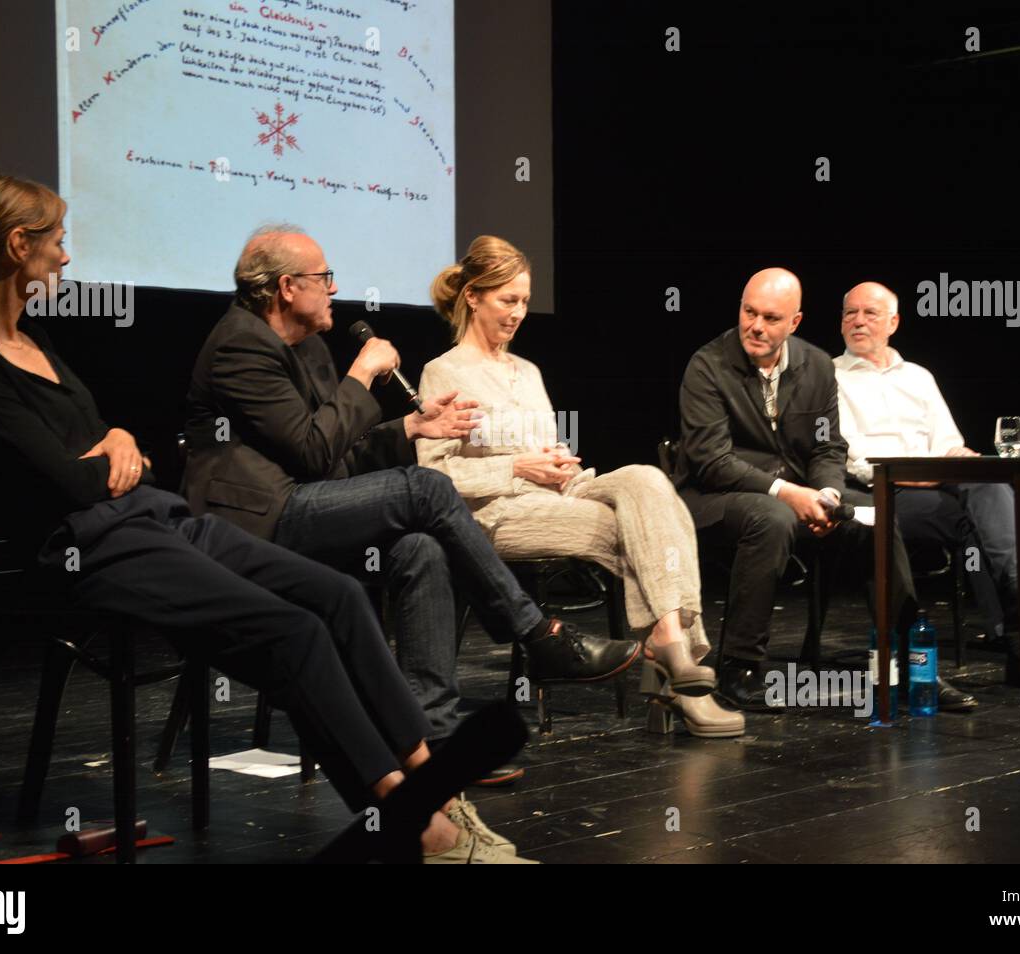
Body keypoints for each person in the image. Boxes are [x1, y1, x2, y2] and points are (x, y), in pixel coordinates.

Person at [0, 175, 530, 863]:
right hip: (89, 547)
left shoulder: (33, 343)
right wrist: (113, 454)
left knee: (334, 597)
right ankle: (421, 825)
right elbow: (68, 481)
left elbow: (118, 447)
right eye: (58, 243)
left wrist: (121, 440)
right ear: (17, 245)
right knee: (294, 630)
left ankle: (436, 789)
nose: (66, 257)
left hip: (154, 518)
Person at [182, 225, 642, 757]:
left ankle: (432, 735)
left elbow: (337, 451)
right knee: (425, 487)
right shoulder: (240, 345)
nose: (333, 288)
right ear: (287, 287)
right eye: (323, 277)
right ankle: (536, 634)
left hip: (310, 505)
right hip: (256, 524)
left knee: (422, 548)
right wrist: (360, 374)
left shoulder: (306, 350)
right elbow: (310, 450)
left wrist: (411, 429)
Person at [415, 235, 744, 738]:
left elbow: (545, 448)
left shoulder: (528, 371)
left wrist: (557, 465)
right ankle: (680, 670)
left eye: (525, 301)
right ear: (473, 296)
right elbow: (435, 479)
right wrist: (518, 468)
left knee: (647, 481)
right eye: (508, 300)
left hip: (559, 492)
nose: (519, 312)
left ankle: (668, 646)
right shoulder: (443, 372)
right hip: (495, 512)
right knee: (638, 527)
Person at [674, 267, 977, 713]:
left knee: (874, 515)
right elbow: (712, 461)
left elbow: (828, 447)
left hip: (797, 492)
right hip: (714, 497)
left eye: (771, 318)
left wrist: (829, 495)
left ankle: (914, 665)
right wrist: (787, 493)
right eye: (749, 312)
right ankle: (741, 667)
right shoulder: (708, 365)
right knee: (771, 517)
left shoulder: (814, 364)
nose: (756, 326)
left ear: (794, 322)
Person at [834, 281, 1020, 693]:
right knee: (981, 506)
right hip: (880, 491)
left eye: (870, 313)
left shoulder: (919, 376)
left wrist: (957, 457)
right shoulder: (831, 376)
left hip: (936, 488)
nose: (858, 321)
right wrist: (927, 471)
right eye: (850, 312)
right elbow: (848, 455)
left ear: (893, 323)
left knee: (986, 486)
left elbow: (948, 441)